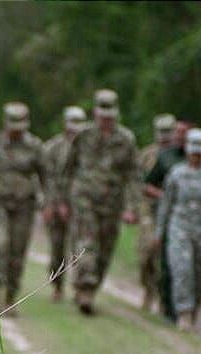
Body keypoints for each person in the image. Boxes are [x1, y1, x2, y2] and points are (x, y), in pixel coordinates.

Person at [60, 89, 139, 315]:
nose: (106, 119)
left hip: (113, 203)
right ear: (95, 112)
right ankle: (84, 289)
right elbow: (68, 169)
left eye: (110, 115)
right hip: (85, 199)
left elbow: (133, 175)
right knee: (87, 244)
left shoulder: (126, 140)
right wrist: (62, 200)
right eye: (102, 114)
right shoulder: (83, 136)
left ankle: (90, 288)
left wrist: (133, 208)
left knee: (105, 249)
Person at [144, 120, 201, 322]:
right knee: (181, 268)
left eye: (199, 152)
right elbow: (166, 204)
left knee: (200, 270)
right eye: (193, 152)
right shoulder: (177, 173)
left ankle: (194, 307)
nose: (195, 156)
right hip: (179, 226)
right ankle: (183, 312)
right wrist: (159, 232)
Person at [0, 102, 47, 317]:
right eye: (13, 124)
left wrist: (48, 202)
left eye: (21, 125)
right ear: (6, 123)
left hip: (24, 205)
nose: (17, 129)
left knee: (17, 251)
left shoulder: (34, 146)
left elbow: (45, 175)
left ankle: (10, 297)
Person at [42, 106, 87, 301]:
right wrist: (52, 203)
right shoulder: (52, 147)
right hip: (56, 203)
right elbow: (46, 178)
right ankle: (57, 286)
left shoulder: (88, 148)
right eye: (72, 123)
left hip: (80, 205)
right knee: (57, 248)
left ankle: (80, 287)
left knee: (81, 248)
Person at [136, 113, 176, 313]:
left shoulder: (179, 155)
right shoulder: (147, 155)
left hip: (173, 211)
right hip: (149, 209)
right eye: (161, 132)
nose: (165, 137)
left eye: (168, 132)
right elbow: (136, 182)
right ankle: (148, 289)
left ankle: (163, 296)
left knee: (167, 258)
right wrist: (131, 209)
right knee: (146, 252)